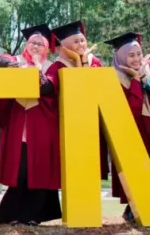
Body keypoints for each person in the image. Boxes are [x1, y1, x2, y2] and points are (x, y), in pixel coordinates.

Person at [0, 24, 61, 226]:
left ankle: (32, 216)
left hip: (42, 127)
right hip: (19, 126)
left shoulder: (51, 66)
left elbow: (50, 88)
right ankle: (8, 215)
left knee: (39, 171)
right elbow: (0, 62)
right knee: (20, 171)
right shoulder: (16, 61)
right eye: (33, 43)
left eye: (41, 44)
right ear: (26, 44)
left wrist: (39, 72)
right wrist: (9, 66)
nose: (36, 47)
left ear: (47, 47)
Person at [103, 32, 150, 223]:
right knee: (134, 167)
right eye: (131, 55)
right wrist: (133, 81)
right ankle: (134, 206)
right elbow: (122, 107)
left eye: (139, 54)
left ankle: (145, 206)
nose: (136, 59)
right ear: (121, 56)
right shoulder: (113, 76)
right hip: (129, 128)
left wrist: (144, 80)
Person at [42, 21, 110, 201]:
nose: (81, 45)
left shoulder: (94, 61)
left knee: (91, 164)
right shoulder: (57, 67)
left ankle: (89, 204)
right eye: (76, 42)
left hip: (91, 124)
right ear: (64, 47)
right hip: (70, 127)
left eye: (83, 40)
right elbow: (49, 94)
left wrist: (85, 63)